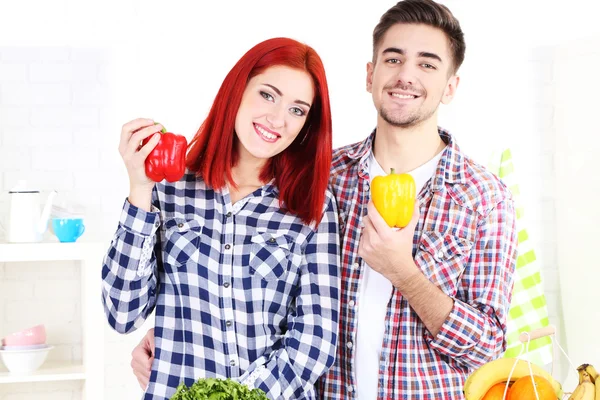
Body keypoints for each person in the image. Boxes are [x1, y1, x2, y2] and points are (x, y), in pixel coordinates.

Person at [132, 1, 519, 398]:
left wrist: (404, 272)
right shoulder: (319, 178)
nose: (405, 75)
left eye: (427, 64)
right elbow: (241, 280)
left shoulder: (484, 198)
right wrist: (174, 330)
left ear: (451, 87)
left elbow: (488, 348)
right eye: (393, 58)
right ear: (370, 75)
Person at [101, 37, 341, 400]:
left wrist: (236, 397)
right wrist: (139, 190)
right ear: (238, 90)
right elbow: (122, 314)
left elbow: (315, 338)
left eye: (297, 110)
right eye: (268, 95)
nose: (277, 119)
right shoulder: (170, 187)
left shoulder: (313, 205)